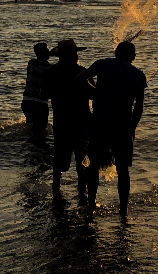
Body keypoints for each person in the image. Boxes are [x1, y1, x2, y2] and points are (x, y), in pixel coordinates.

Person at [77, 41, 146, 217]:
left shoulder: (102, 64)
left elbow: (80, 78)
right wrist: (133, 127)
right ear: (133, 56)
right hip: (123, 126)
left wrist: (95, 92)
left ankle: (91, 205)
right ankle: (123, 210)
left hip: (99, 123)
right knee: (123, 169)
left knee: (93, 166)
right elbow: (139, 106)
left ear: (116, 53)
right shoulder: (138, 74)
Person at [42, 39, 93, 200]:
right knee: (82, 159)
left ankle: (56, 190)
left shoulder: (50, 72)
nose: (77, 56)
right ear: (72, 55)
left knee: (59, 158)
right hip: (82, 121)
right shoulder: (83, 72)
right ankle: (81, 192)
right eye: (75, 53)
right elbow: (94, 94)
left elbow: (44, 94)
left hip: (61, 121)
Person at [21, 42, 51, 135]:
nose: (48, 52)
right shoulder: (49, 68)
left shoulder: (31, 63)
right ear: (43, 53)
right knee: (40, 131)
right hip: (40, 103)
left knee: (31, 128)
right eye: (47, 50)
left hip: (27, 101)